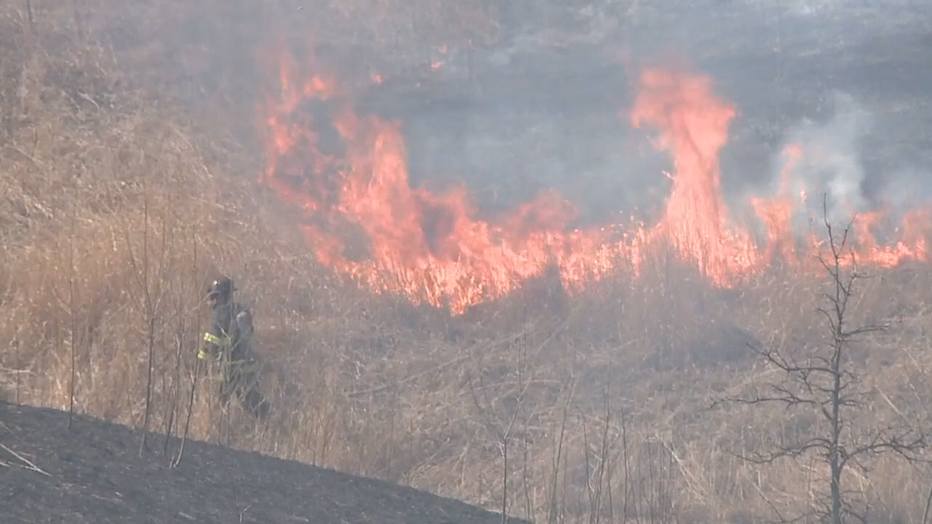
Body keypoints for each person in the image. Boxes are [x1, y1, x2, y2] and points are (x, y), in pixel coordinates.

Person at [199, 276, 269, 420]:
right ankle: (271, 426)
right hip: (247, 369)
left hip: (227, 371)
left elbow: (212, 345)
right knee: (255, 406)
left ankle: (216, 432)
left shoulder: (219, 315)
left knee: (217, 409)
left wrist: (200, 365)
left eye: (214, 298)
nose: (211, 302)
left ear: (221, 296)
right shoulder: (241, 311)